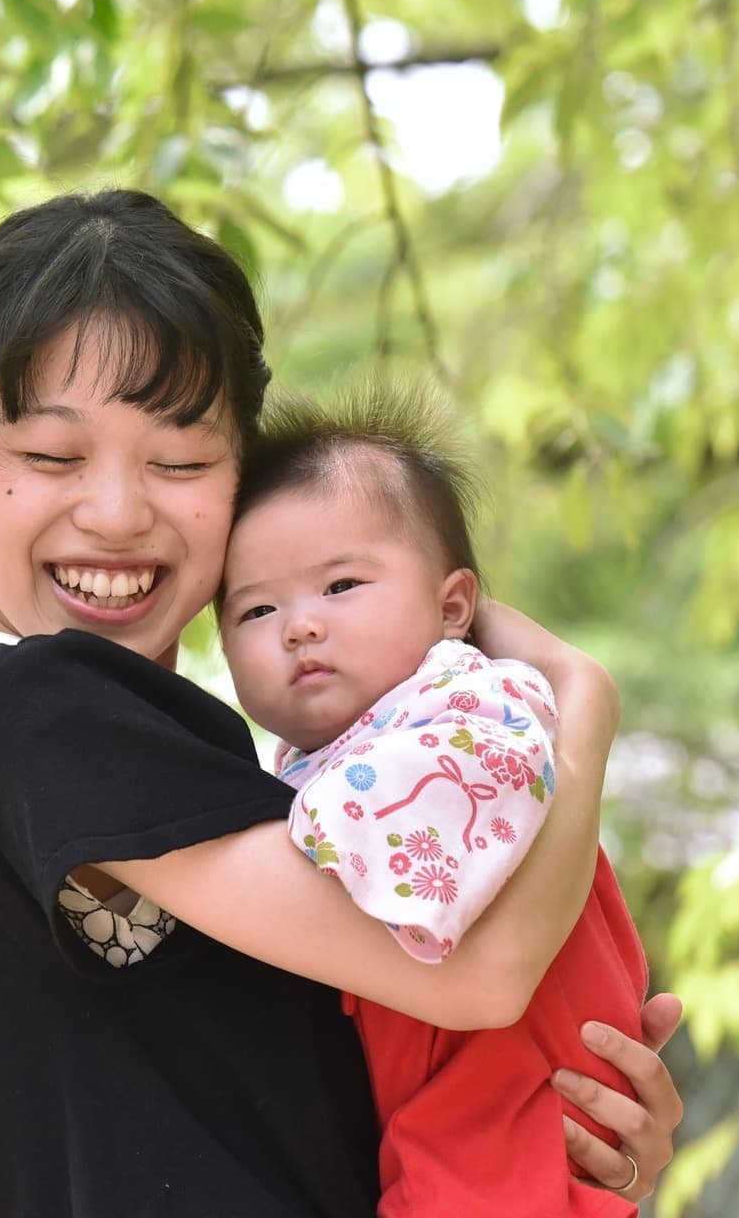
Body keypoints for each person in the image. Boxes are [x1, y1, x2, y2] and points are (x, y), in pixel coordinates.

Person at [0, 189, 684, 1216]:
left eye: (182, 461)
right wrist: (580, 707)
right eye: (52, 457)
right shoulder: (23, 711)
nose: (115, 513)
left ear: (238, 481)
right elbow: (483, 976)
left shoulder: (121, 748)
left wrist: (553, 1133)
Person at [217, 383, 653, 1216]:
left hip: (510, 1071)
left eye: (341, 585)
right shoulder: (332, 750)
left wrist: (577, 684)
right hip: (461, 1081)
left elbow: (437, 845)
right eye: (257, 609)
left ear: (455, 605)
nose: (299, 626)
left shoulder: (465, 705)